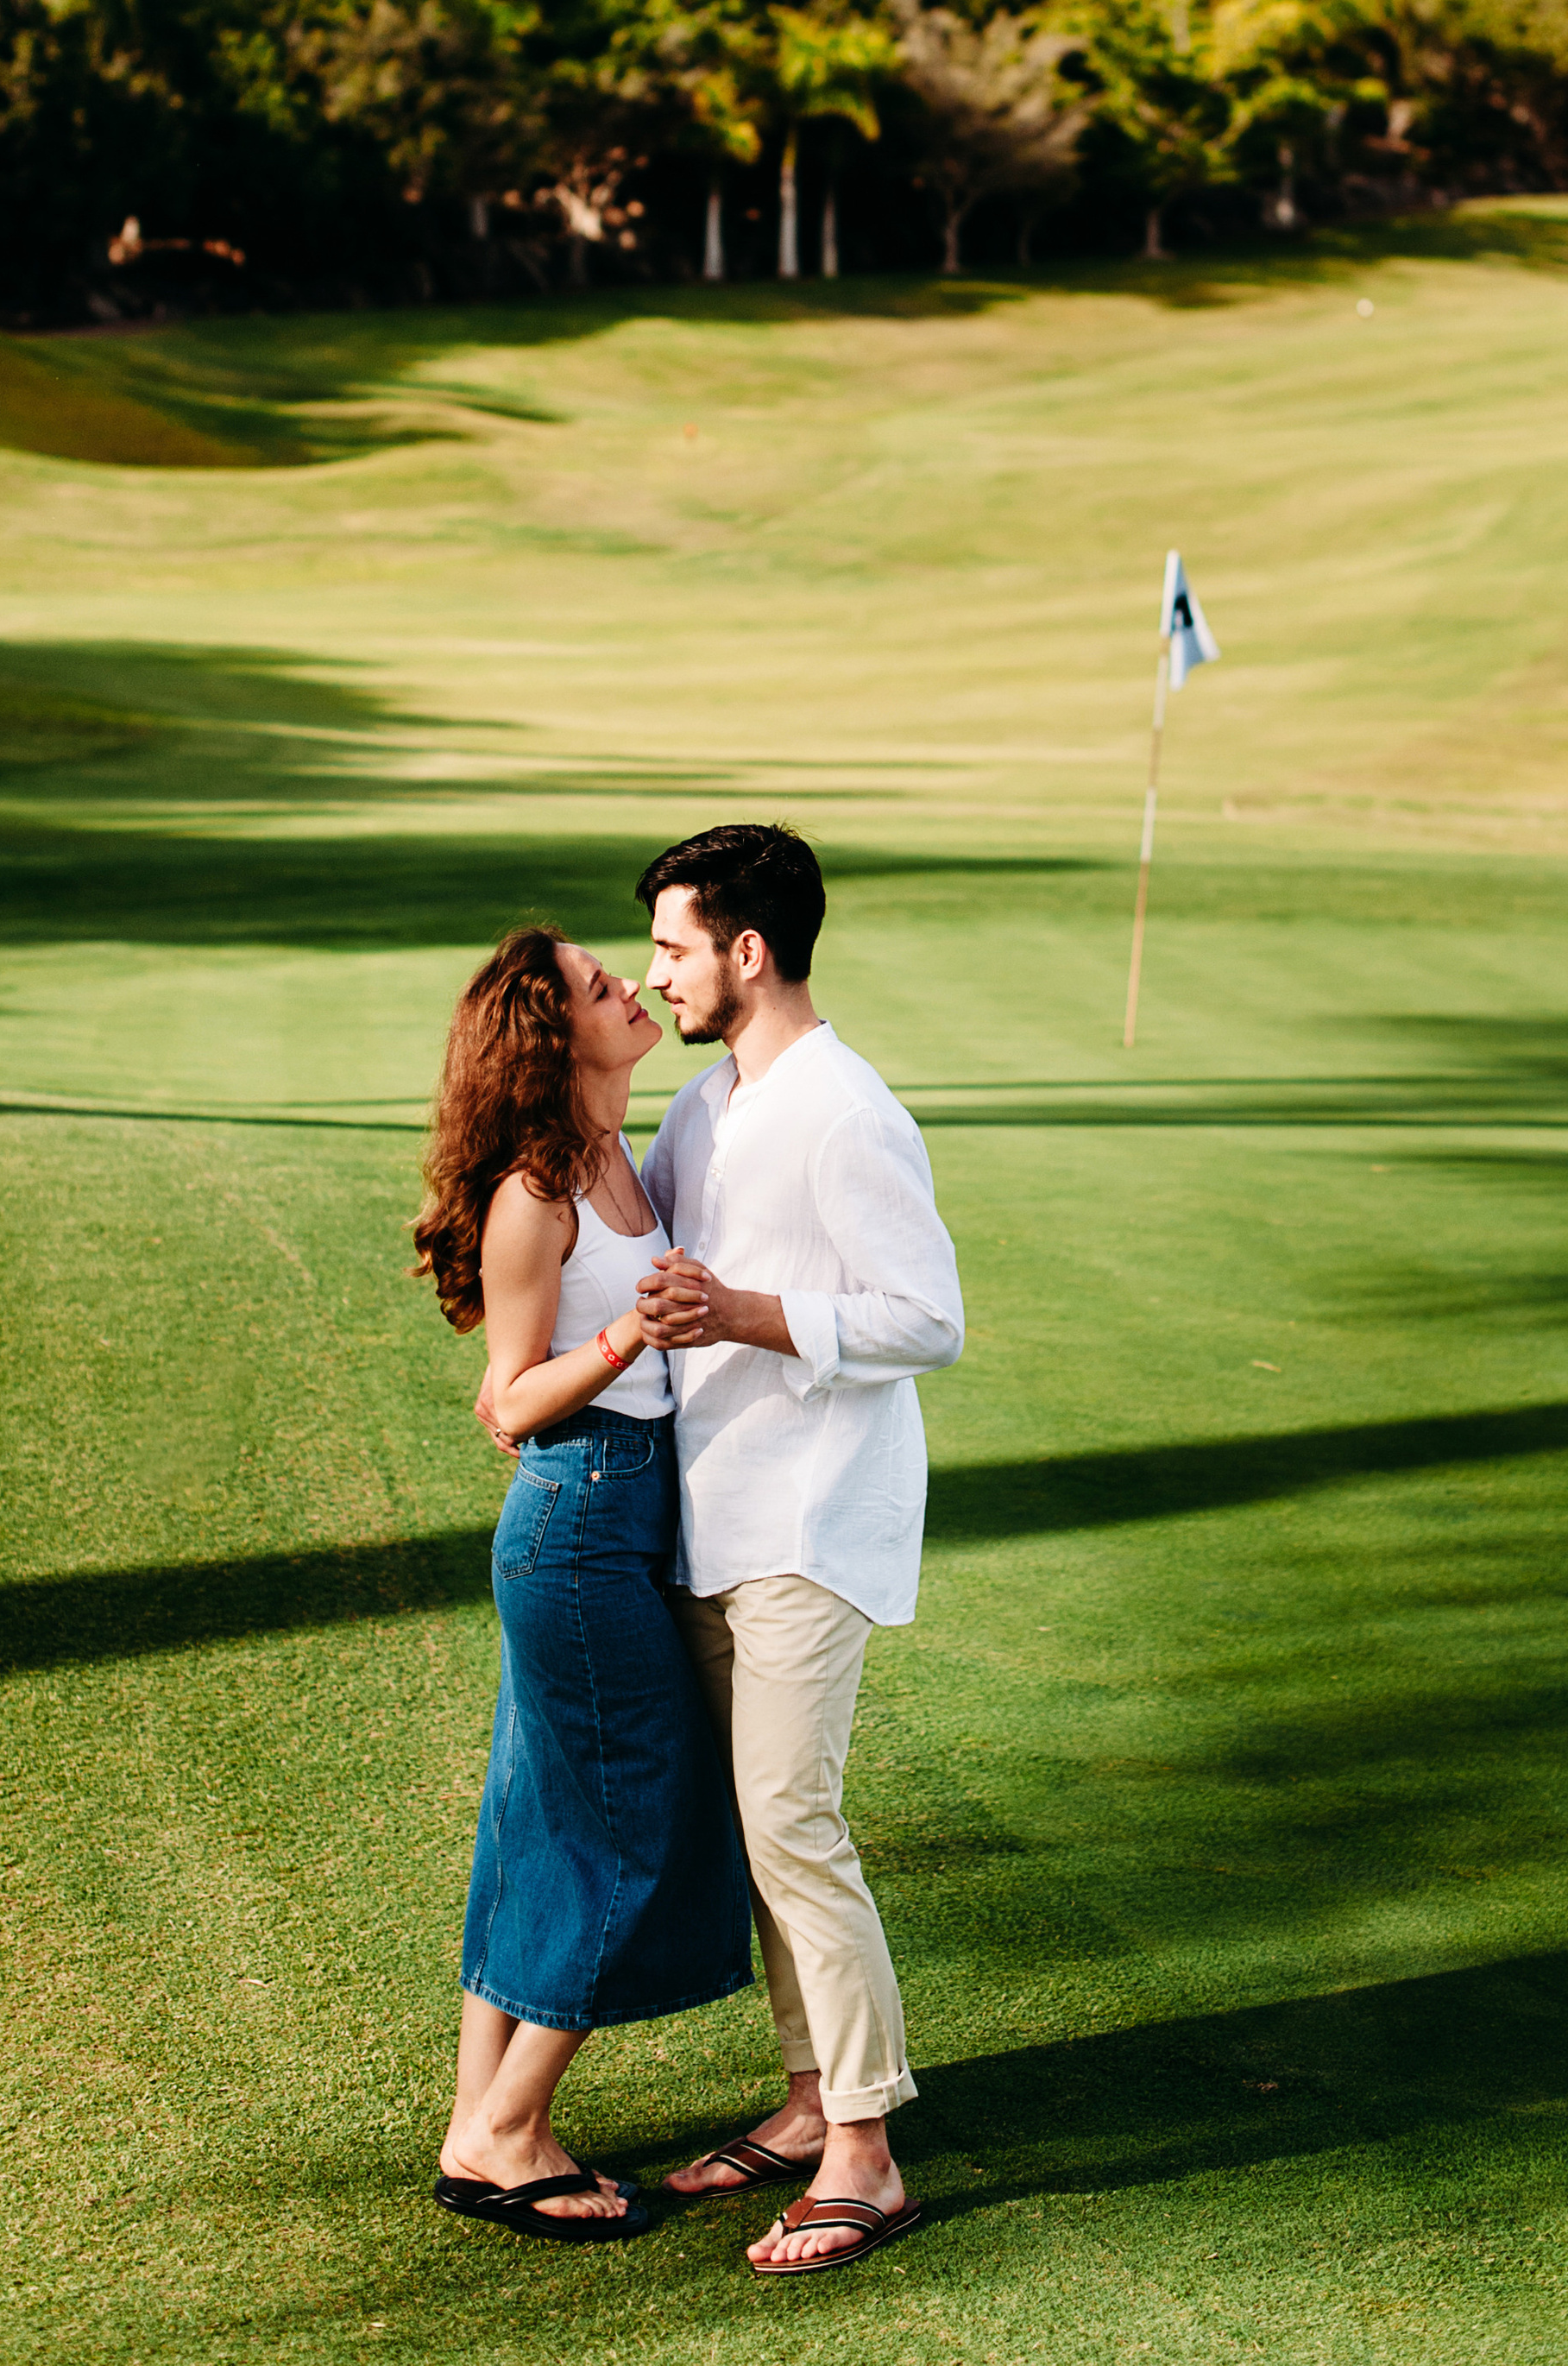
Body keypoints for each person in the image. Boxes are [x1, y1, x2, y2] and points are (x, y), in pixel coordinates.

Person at [632, 823, 964, 2279]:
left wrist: (748, 1311)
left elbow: (926, 1317)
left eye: (672, 947)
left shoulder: (848, 1111)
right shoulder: (705, 1107)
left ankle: (867, 2155)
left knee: (794, 1823)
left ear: (745, 953)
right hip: (717, 1508)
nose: (656, 977)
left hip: (815, 1520)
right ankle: (811, 2092)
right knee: (764, 1838)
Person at [413, 926, 753, 2244]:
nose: (634, 988)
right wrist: (625, 1332)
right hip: (579, 1522)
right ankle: (510, 2128)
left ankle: (475, 2126)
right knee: (632, 1819)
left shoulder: (624, 1151)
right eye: (603, 986)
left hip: (625, 1514)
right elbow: (512, 1398)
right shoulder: (536, 1193)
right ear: (558, 1035)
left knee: (534, 1817)